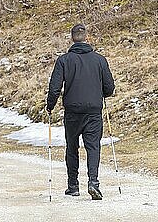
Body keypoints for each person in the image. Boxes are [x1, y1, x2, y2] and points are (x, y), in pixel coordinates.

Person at [46, 23, 115, 200]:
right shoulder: (100, 60)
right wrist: (101, 94)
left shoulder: (64, 60)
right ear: (86, 37)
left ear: (72, 38)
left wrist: (50, 106)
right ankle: (93, 183)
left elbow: (54, 88)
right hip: (93, 110)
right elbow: (109, 87)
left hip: (73, 111)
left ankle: (73, 186)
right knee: (93, 147)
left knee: (72, 147)